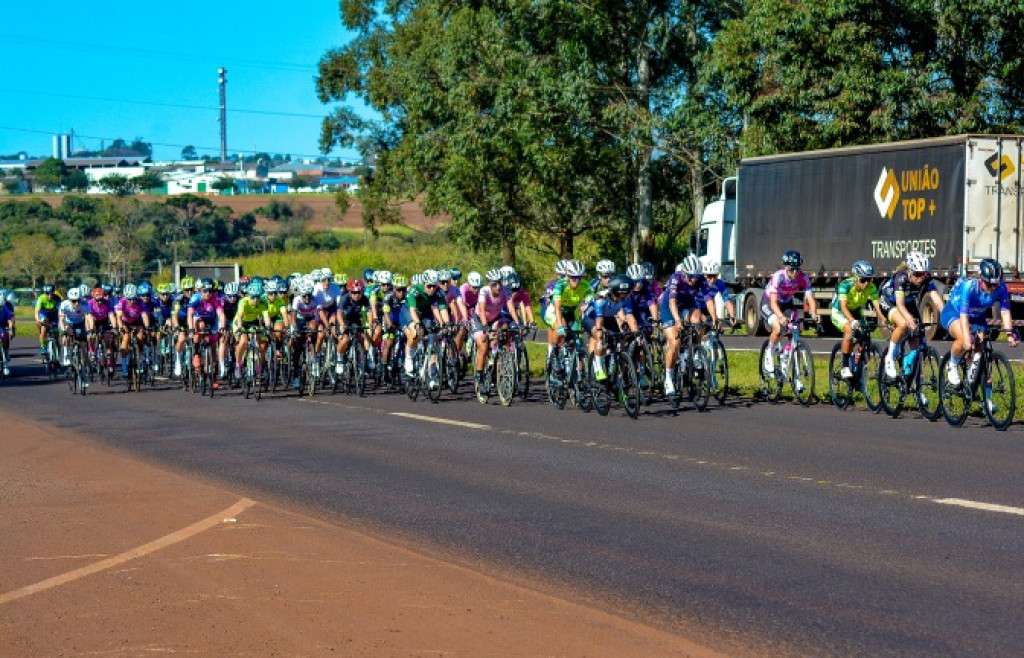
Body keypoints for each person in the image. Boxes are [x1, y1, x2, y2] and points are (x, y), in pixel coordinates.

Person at [940, 258, 1017, 387]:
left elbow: (1005, 311)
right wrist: (966, 337)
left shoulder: (1001, 287)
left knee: (982, 350)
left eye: (996, 284)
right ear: (981, 279)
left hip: (977, 316)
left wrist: (1009, 334)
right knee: (965, 338)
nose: (993, 288)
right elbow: (963, 315)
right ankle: (952, 365)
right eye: (989, 285)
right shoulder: (968, 286)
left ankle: (976, 387)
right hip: (954, 312)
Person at [879, 251, 944, 378]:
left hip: (908, 302)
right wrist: (909, 320)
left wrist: (948, 318)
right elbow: (899, 304)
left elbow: (937, 301)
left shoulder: (926, 279)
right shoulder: (901, 277)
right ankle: (889, 357)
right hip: (889, 301)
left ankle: (913, 383)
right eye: (917, 274)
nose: (921, 278)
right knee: (903, 324)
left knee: (918, 338)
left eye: (923, 274)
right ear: (909, 271)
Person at [659, 255, 716, 395]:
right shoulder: (675, 278)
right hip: (669, 308)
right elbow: (672, 302)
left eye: (696, 276)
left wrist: (715, 318)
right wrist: (678, 321)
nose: (693, 280)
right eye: (690, 276)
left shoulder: (700, 279)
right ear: (684, 273)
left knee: (698, 320)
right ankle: (668, 377)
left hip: (686, 306)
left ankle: (695, 351)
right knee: (675, 342)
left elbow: (709, 300)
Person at [763, 250, 818, 374]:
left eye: (797, 269)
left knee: (795, 328)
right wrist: (781, 317)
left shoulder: (803, 278)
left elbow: (810, 298)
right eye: (791, 270)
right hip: (769, 303)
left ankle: (786, 353)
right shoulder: (779, 276)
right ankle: (769, 353)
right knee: (778, 328)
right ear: (786, 268)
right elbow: (773, 303)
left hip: (786, 303)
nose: (794, 273)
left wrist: (814, 313)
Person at [831, 260, 885, 379]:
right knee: (849, 331)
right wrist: (851, 320)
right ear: (855, 277)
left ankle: (858, 365)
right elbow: (843, 307)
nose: (866, 283)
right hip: (839, 311)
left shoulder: (871, 287)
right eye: (863, 280)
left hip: (856, 311)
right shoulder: (845, 285)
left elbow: (877, 307)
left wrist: (884, 320)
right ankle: (845, 367)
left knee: (865, 335)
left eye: (869, 279)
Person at [584, 275, 639, 381]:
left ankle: (615, 365)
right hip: (592, 318)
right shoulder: (601, 299)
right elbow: (599, 319)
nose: (623, 296)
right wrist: (600, 331)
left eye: (626, 293)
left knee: (621, 339)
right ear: (613, 291)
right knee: (600, 337)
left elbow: (626, 315)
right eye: (620, 293)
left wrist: (633, 331)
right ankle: (598, 368)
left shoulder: (624, 298)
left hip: (608, 317)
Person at [472, 269, 518, 388]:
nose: (498, 287)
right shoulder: (484, 291)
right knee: (483, 346)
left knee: (506, 327)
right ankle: (479, 377)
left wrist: (518, 323)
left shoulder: (505, 291)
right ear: (489, 284)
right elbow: (481, 310)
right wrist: (485, 327)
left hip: (496, 318)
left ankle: (499, 353)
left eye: (500, 283)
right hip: (480, 319)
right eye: (494, 284)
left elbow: (511, 308)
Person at [232, 279, 270, 380]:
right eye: (253, 297)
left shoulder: (263, 303)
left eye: (258, 297)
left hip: (253, 323)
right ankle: (238, 365)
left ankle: (259, 368)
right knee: (243, 341)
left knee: (259, 343)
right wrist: (240, 328)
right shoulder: (243, 302)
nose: (256, 300)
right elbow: (239, 316)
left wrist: (268, 327)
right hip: (241, 322)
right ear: (249, 296)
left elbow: (266, 317)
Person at [115, 284, 152, 377]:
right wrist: (120, 327)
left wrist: (147, 327)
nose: (132, 301)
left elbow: (144, 315)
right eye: (129, 299)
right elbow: (118, 316)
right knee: (126, 338)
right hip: (125, 322)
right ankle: (124, 365)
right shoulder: (122, 302)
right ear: (125, 297)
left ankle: (140, 357)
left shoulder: (140, 302)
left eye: (134, 299)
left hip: (137, 322)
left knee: (140, 337)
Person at [337, 278, 372, 374]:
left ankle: (364, 359)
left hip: (356, 320)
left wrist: (369, 325)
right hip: (344, 320)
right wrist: (342, 324)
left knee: (364, 336)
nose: (356, 295)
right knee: (345, 339)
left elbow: (369, 312)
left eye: (359, 292)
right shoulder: (345, 298)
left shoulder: (364, 298)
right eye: (353, 292)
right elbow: (339, 313)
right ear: (350, 291)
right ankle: (339, 359)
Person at [58, 287, 89, 368]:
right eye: (74, 301)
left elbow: (89, 318)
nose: (76, 303)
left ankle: (83, 358)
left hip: (80, 322)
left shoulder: (85, 304)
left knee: (83, 343)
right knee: (65, 337)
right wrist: (64, 330)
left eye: (78, 300)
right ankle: (66, 356)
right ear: (69, 300)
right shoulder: (64, 304)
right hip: (67, 322)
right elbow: (61, 319)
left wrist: (90, 329)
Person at [35, 283, 61, 359]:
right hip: (44, 314)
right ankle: (43, 347)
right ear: (44, 293)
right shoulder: (41, 298)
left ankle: (58, 355)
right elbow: (37, 311)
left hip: (54, 314)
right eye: (47, 294)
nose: (49, 296)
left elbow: (61, 311)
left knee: (56, 335)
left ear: (54, 292)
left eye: (51, 293)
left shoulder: (57, 298)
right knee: (43, 329)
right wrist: (38, 320)